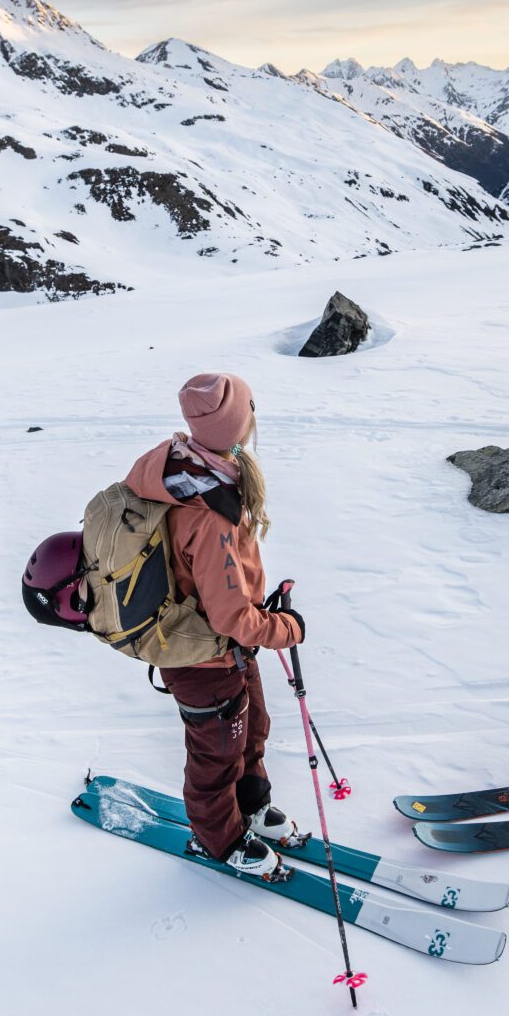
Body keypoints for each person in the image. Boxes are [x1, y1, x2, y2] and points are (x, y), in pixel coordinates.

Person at [123, 372, 307, 878]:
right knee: (216, 756)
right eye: (251, 408)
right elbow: (230, 615)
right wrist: (286, 628)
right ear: (236, 423)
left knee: (252, 733)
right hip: (202, 654)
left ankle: (250, 806)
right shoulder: (209, 515)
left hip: (226, 647)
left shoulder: (194, 468)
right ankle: (217, 839)